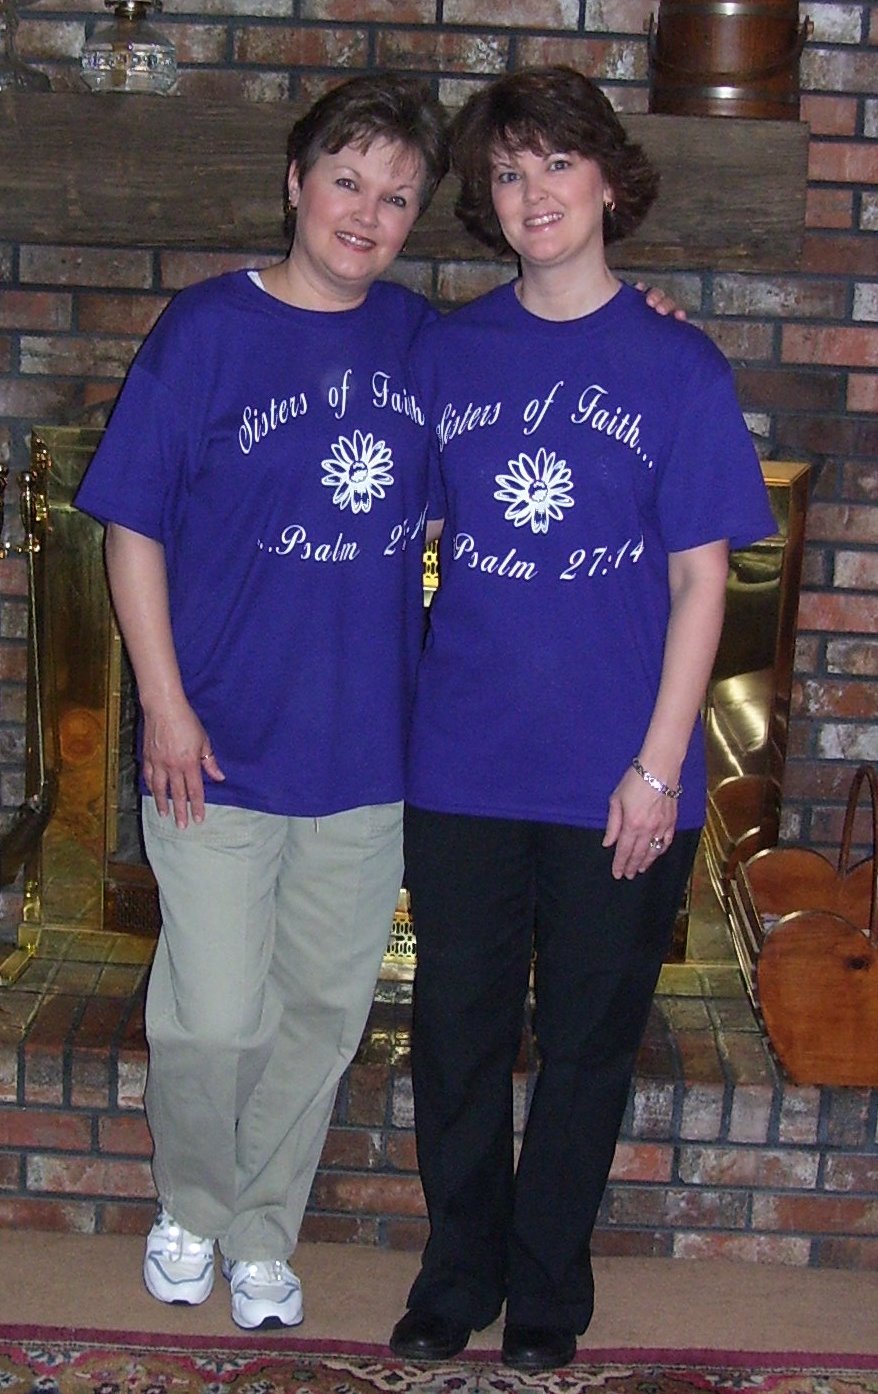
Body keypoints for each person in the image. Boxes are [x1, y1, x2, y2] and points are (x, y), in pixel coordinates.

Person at [389, 66, 777, 1373]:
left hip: (620, 773)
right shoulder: (443, 352)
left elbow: (701, 579)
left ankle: (547, 1282)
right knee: (455, 1031)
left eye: (556, 162)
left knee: (587, 1040)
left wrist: (658, 768)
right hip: (461, 759)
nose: (532, 191)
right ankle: (457, 1271)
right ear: (485, 202)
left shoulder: (677, 364)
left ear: (609, 180)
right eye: (506, 171)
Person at [74, 71, 449, 1331]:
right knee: (215, 1016)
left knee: (321, 1013)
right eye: (346, 180)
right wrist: (165, 703)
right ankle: (192, 1203)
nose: (366, 213)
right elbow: (130, 525)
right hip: (216, 743)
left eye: (395, 196)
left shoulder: (421, 341)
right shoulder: (204, 331)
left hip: (367, 749)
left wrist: (644, 304)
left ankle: (260, 1233)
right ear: (295, 183)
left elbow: (533, 388)